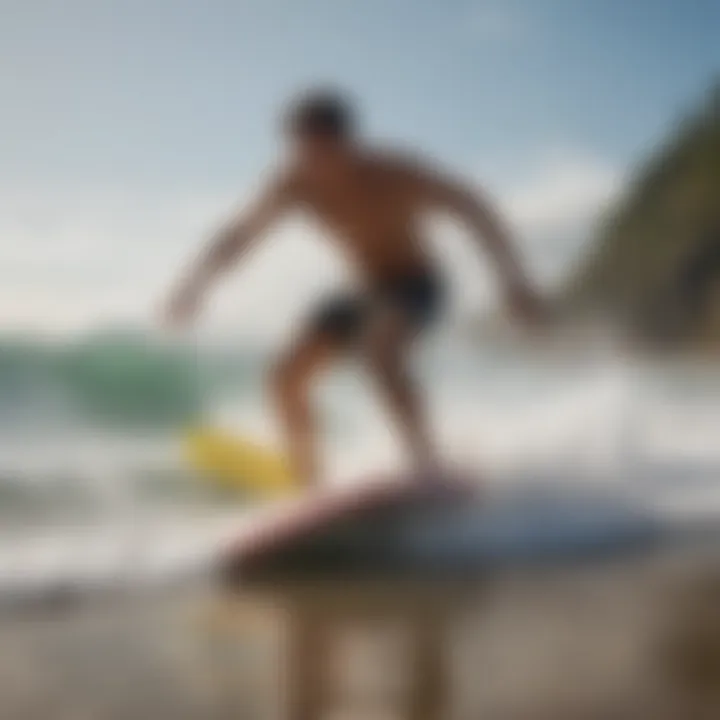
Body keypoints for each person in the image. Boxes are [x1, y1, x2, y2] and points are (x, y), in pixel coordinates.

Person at [165, 88, 544, 486]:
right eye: (298, 149)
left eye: (317, 150)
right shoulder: (294, 183)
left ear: (345, 143)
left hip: (416, 283)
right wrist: (193, 286)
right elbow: (240, 234)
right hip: (363, 289)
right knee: (284, 377)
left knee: (379, 350)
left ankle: (426, 465)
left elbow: (474, 208)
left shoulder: (396, 173)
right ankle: (307, 482)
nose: (307, 161)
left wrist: (514, 284)